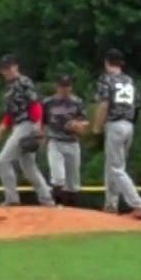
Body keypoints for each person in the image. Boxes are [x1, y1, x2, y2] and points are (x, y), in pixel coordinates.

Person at [92, 48, 141, 219]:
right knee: (112, 166)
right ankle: (111, 205)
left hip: (115, 124)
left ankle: (138, 204)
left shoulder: (106, 79)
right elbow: (138, 105)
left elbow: (104, 104)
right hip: (129, 125)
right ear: (121, 63)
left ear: (106, 62)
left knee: (116, 168)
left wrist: (96, 127)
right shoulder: (129, 81)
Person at [0, 55, 55, 207]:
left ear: (16, 66)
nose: (7, 71)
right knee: (28, 166)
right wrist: (2, 127)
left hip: (27, 124)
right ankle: (47, 199)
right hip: (19, 124)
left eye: (9, 67)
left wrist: (38, 126)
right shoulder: (9, 87)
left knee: (2, 160)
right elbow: (11, 112)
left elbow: (35, 104)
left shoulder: (23, 81)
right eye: (4, 68)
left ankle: (12, 199)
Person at [42, 74, 88, 207]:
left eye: (67, 86)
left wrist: (76, 124)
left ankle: (72, 211)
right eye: (62, 86)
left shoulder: (77, 102)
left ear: (71, 87)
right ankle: (58, 206)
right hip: (55, 141)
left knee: (73, 181)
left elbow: (85, 121)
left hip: (72, 142)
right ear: (57, 87)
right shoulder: (48, 102)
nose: (64, 89)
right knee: (58, 177)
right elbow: (44, 123)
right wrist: (42, 141)